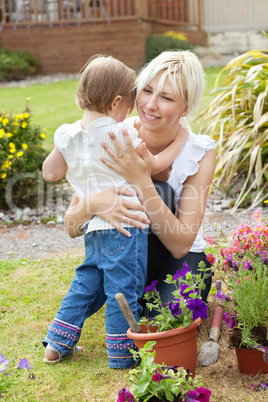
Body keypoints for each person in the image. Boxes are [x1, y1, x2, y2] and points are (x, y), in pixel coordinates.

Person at [42, 54, 186, 369]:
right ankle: (122, 354)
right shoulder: (122, 134)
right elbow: (152, 167)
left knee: (86, 282)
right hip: (125, 225)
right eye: (130, 105)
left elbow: (50, 173)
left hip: (92, 227)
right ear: (115, 104)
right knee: (123, 285)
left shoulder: (66, 134)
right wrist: (181, 142)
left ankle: (56, 343)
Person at [64, 50, 216, 311]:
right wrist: (92, 204)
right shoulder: (112, 135)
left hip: (180, 259)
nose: (150, 105)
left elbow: (181, 246)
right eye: (146, 91)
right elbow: (71, 226)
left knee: (167, 320)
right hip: (127, 259)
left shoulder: (199, 152)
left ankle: (139, 300)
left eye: (166, 97)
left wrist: (141, 181)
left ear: (185, 108)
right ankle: (128, 295)